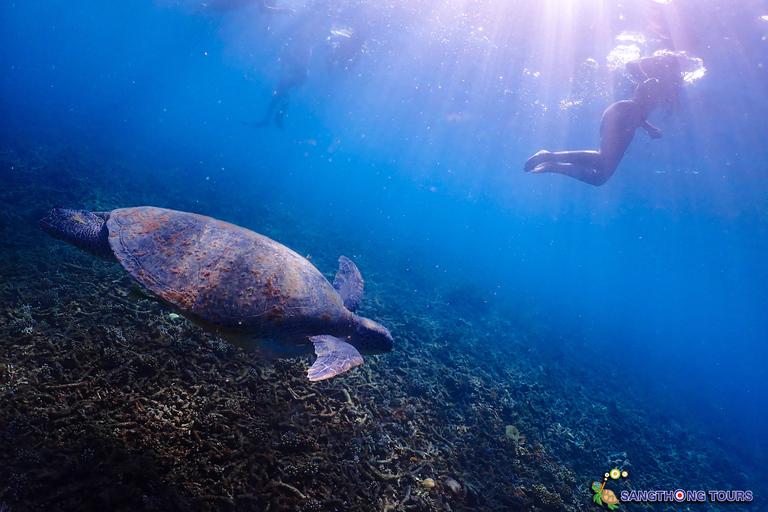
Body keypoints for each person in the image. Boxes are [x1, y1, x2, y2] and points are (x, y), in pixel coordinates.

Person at [524, 53, 687, 186]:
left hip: (625, 115)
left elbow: (641, 109)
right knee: (602, 162)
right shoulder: (652, 80)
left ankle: (553, 165)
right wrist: (650, 65)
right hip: (626, 112)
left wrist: (649, 128)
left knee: (599, 178)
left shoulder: (659, 85)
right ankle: (549, 156)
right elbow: (630, 64)